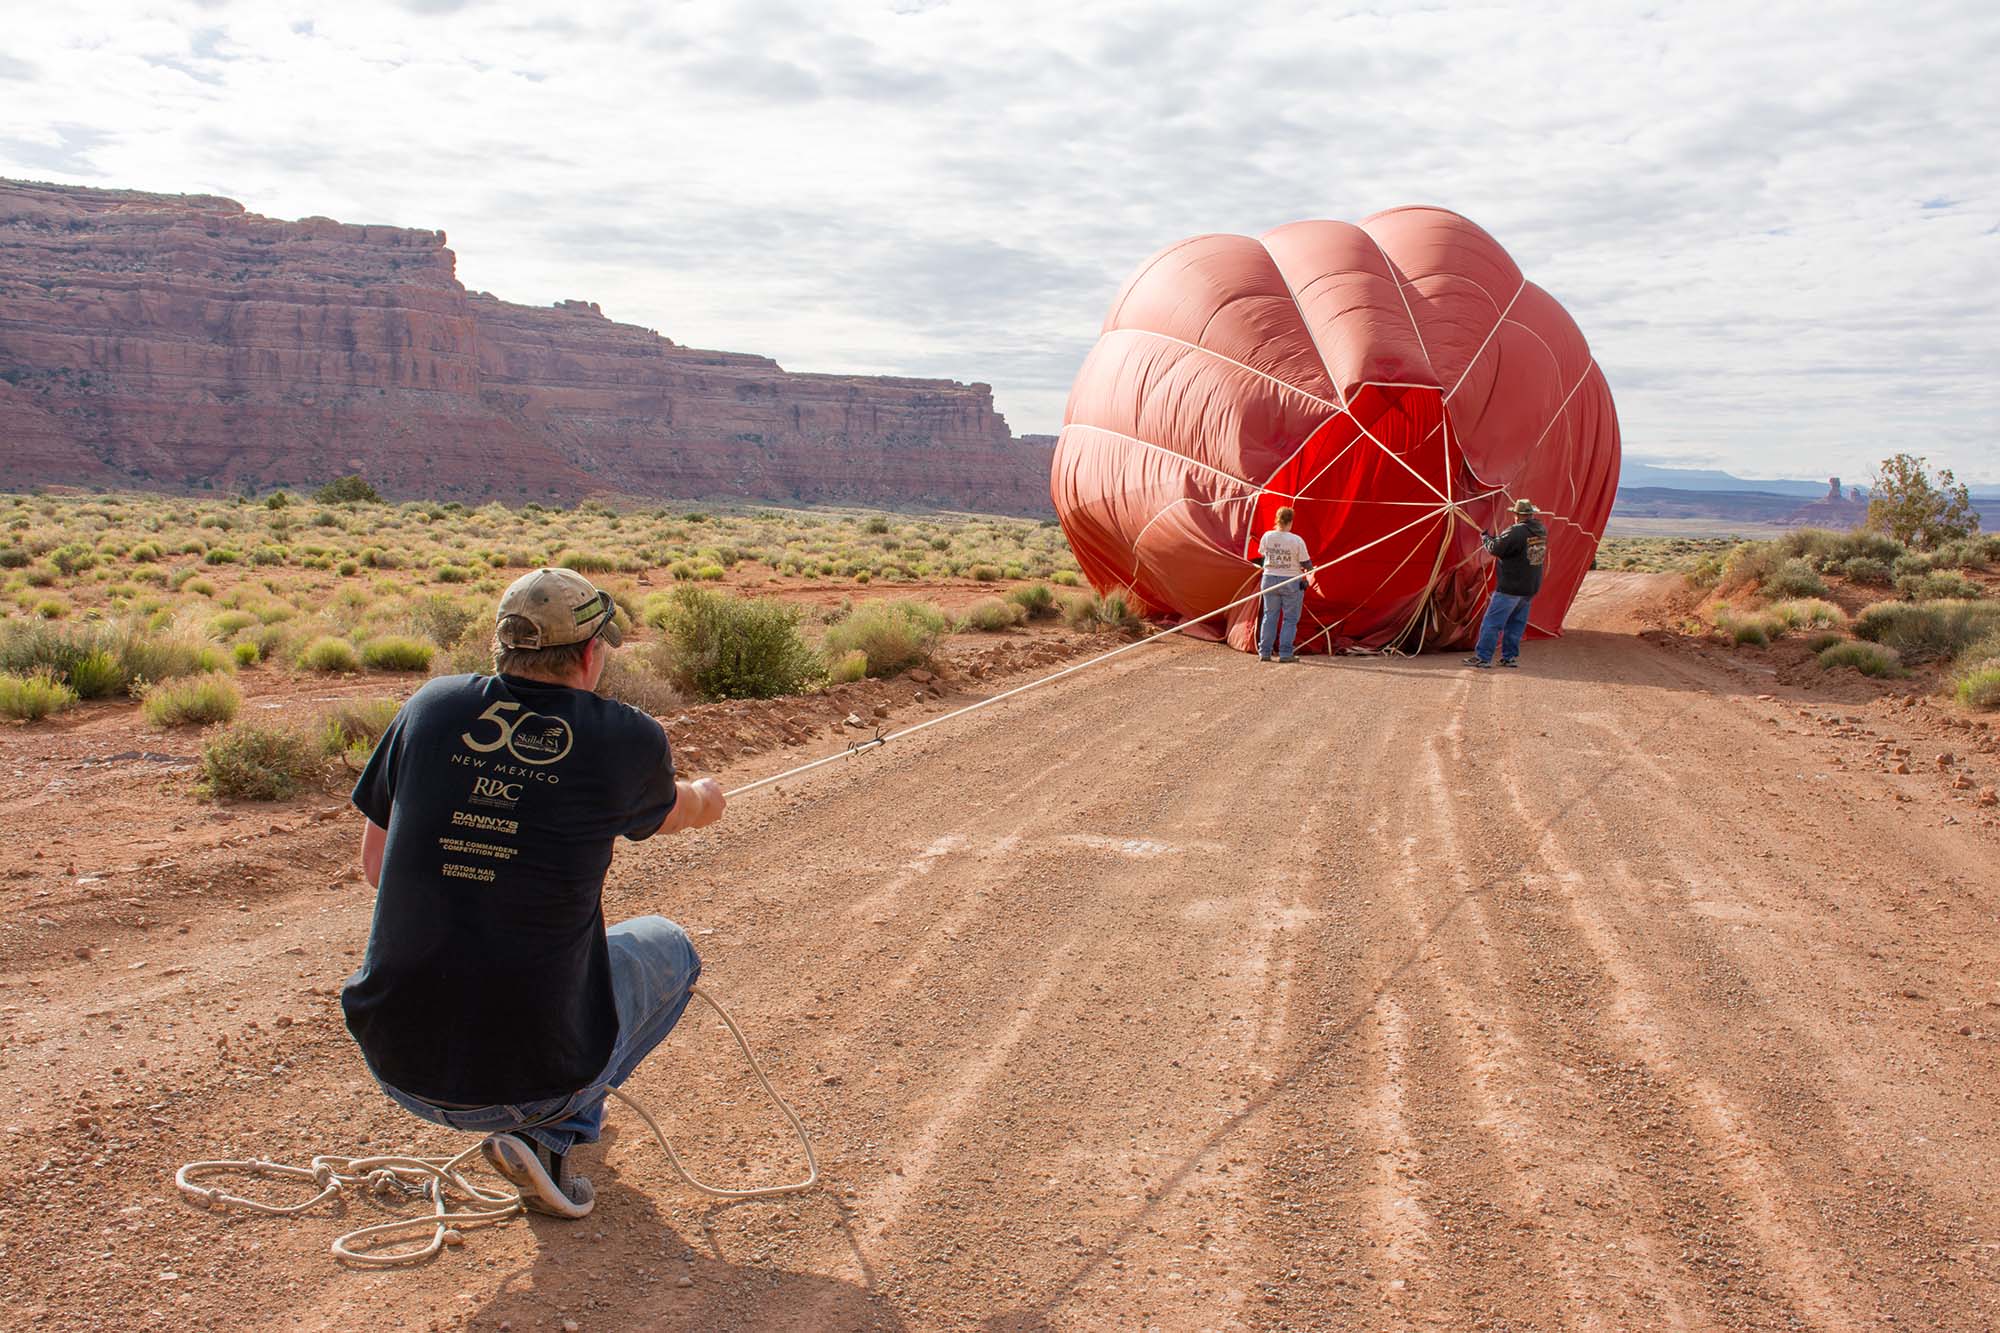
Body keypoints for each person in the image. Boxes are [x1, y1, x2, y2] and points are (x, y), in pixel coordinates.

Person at [342, 567, 726, 1218]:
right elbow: (678, 810)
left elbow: (375, 866)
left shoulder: (429, 708)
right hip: (520, 1082)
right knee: (671, 949)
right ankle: (551, 1132)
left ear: (502, 647)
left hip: (395, 1058)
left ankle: (540, 1116)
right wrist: (707, 797)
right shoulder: (623, 737)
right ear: (587, 653)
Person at [1466, 498, 1549, 669]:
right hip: (1530, 587)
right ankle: (1509, 657)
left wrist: (1485, 538)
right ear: (1532, 514)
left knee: (1492, 623)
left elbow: (1496, 548)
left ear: (1517, 516)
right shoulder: (1540, 530)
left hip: (1511, 587)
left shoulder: (1516, 531)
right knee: (1515, 624)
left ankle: (1483, 657)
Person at [1253, 505, 1316, 662]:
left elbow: (1262, 554)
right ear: (1291, 522)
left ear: (1276, 519)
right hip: (1290, 581)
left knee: (1270, 616)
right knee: (1290, 619)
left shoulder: (1267, 536)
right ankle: (1285, 654)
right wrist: (1311, 568)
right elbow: (1306, 563)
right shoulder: (1296, 540)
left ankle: (1265, 652)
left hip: (1269, 579)